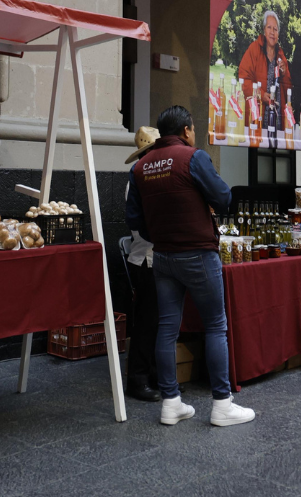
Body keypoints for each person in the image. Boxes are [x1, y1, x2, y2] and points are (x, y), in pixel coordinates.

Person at [125, 105, 255, 427]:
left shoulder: (140, 168)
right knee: (215, 325)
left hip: (163, 257)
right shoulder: (192, 157)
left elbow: (135, 221)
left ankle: (171, 402)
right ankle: (222, 404)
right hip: (198, 253)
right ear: (186, 130)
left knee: (167, 329)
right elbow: (224, 197)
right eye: (194, 129)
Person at [121, 126, 163, 403]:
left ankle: (158, 377)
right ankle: (137, 381)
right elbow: (138, 227)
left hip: (160, 257)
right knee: (146, 323)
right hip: (144, 258)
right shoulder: (137, 177)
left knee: (161, 322)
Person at [236, 10, 292, 103]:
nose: (272, 32)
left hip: (276, 114)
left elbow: (289, 90)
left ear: (278, 33)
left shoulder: (281, 54)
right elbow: (244, 80)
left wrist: (284, 73)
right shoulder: (254, 49)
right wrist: (261, 95)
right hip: (257, 111)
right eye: (269, 27)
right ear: (264, 30)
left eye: (275, 29)